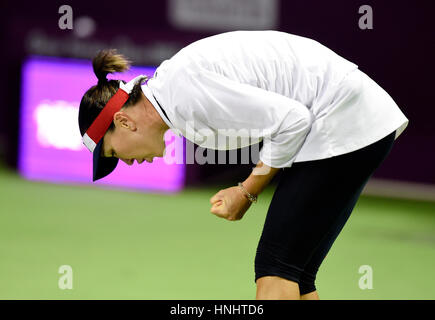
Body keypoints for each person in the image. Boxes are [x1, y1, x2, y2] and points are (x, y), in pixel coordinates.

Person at [77, 30, 409, 300]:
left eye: (113, 154)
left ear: (124, 121)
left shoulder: (183, 94)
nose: (126, 163)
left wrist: (247, 191)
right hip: (349, 119)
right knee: (296, 275)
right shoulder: (174, 99)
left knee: (276, 268)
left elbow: (293, 121)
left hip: (342, 118)